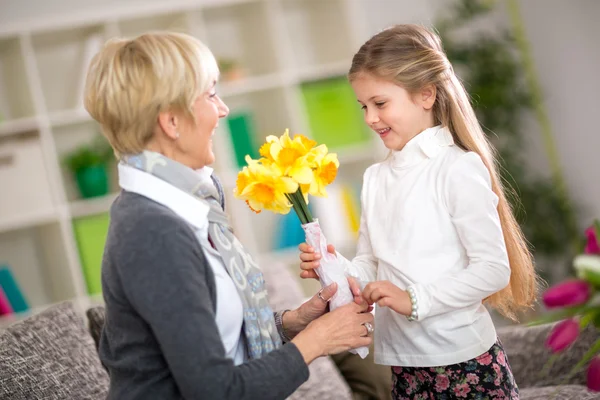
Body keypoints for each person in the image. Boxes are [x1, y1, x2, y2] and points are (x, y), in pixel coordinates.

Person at [83, 31, 374, 400]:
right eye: (210, 94)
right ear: (171, 122)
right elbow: (215, 390)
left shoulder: (187, 207)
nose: (223, 109)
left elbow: (210, 341)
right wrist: (318, 340)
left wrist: (293, 323)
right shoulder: (153, 231)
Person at [298, 24, 539, 399]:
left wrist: (415, 299)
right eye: (363, 106)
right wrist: (333, 268)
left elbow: (493, 269)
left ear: (425, 95)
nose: (370, 118)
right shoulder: (376, 177)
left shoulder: (456, 168)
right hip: (404, 364)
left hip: (466, 363)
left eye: (380, 104)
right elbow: (370, 264)